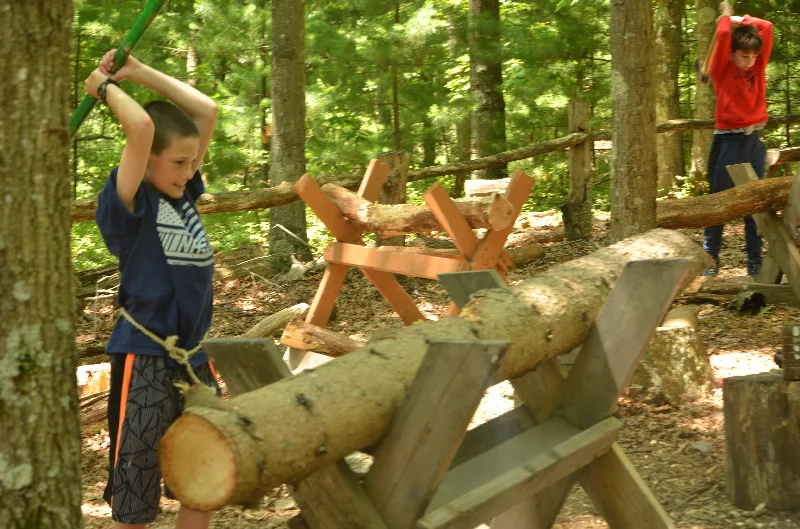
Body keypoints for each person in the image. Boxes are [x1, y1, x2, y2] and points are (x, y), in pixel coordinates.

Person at [84, 49, 219, 529]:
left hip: (193, 358)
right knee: (136, 491)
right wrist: (101, 86)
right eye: (179, 162)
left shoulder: (182, 193)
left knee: (205, 473)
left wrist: (138, 72)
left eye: (193, 162)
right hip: (145, 355)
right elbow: (140, 128)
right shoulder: (130, 204)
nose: (189, 172)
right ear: (147, 164)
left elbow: (206, 111)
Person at [702, 2, 773, 278]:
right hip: (728, 141)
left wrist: (739, 18)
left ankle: (754, 260)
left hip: (753, 140)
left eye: (753, 57)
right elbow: (721, 35)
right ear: (731, 54)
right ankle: (711, 259)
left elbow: (766, 27)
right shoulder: (721, 69)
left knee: (755, 202)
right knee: (718, 202)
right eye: (743, 56)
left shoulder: (757, 67)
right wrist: (725, 16)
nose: (750, 62)